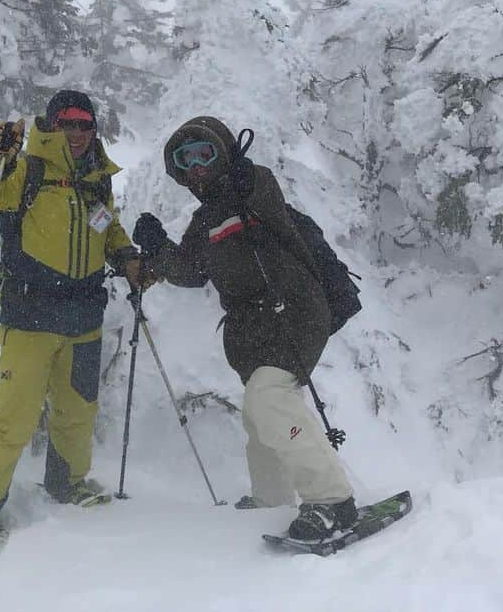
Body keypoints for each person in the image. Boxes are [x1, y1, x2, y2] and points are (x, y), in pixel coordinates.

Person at [132, 116, 358, 544]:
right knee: (259, 413)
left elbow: (264, 189)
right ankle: (271, 500)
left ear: (224, 153)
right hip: (256, 329)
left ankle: (332, 501)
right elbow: (191, 270)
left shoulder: (253, 190)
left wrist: (243, 174)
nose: (197, 166)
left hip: (295, 314)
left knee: (269, 398)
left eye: (206, 153)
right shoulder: (206, 220)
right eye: (187, 159)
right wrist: (159, 247)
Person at [0, 89, 145, 543]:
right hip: (30, 315)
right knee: (14, 418)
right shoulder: (26, 169)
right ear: (53, 124)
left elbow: (107, 224)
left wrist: (125, 254)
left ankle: (68, 483)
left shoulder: (97, 178)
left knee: (78, 411)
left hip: (84, 316)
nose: (77, 133)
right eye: (68, 123)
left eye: (85, 124)